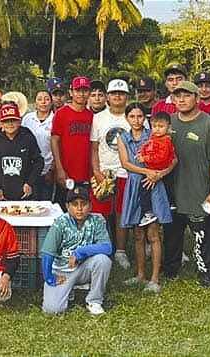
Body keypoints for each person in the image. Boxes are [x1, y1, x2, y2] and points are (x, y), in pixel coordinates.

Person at [161, 81, 210, 287]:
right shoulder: (168, 123)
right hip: (172, 192)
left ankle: (206, 271)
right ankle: (170, 269)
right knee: (171, 233)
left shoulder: (208, 124)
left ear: (197, 98)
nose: (181, 100)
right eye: (177, 96)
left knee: (202, 235)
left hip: (198, 191)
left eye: (187, 95)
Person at [118, 104, 173, 292]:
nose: (136, 120)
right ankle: (140, 275)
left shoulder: (155, 134)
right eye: (132, 116)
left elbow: (173, 159)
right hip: (135, 185)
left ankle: (155, 278)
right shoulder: (123, 138)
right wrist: (147, 171)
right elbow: (126, 163)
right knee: (138, 234)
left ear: (145, 118)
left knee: (153, 233)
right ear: (127, 118)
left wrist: (159, 174)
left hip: (154, 186)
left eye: (140, 116)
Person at [41, 186, 113, 315]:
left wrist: (80, 251)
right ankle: (68, 291)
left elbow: (107, 247)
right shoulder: (60, 223)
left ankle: (94, 300)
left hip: (83, 268)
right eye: (75, 205)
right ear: (68, 207)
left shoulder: (96, 220)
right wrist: (50, 278)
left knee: (103, 260)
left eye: (83, 204)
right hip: (62, 271)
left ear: (90, 206)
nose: (79, 209)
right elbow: (47, 252)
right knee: (53, 310)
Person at [90, 78, 131, 268]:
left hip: (127, 172)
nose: (117, 96)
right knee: (100, 214)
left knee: (122, 214)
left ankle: (120, 251)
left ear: (127, 97)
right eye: (114, 93)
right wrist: (97, 171)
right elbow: (94, 147)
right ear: (108, 96)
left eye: (121, 94)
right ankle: (102, 248)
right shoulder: (98, 118)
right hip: (105, 172)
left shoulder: (132, 116)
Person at [0, 103, 44, 201]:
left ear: (19, 121)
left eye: (13, 120)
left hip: (25, 194)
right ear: (1, 123)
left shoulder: (28, 138)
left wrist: (29, 182)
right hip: (3, 194)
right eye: (6, 121)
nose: (10, 124)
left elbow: (39, 162)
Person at [51, 77, 93, 208]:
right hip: (67, 171)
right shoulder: (62, 113)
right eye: (78, 90)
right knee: (64, 210)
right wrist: (59, 168)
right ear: (71, 92)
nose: (81, 94)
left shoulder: (92, 116)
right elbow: (54, 141)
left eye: (85, 90)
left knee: (84, 210)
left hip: (86, 172)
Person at [21, 90, 55, 201]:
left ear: (51, 102)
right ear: (35, 102)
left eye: (47, 99)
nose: (43, 102)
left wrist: (52, 170)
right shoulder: (27, 119)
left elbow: (58, 146)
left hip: (47, 168)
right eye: (40, 99)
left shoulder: (56, 119)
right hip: (29, 169)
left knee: (46, 202)